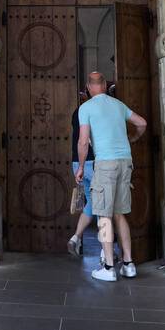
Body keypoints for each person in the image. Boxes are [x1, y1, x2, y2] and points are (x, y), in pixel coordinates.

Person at [75, 73, 147, 281]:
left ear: (89, 87)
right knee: (119, 214)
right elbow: (142, 123)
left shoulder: (86, 108)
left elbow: (83, 141)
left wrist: (81, 166)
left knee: (104, 216)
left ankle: (108, 267)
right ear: (105, 86)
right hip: (125, 161)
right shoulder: (118, 105)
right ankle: (128, 264)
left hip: (105, 164)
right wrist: (132, 137)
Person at [67, 85, 94, 257]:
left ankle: (76, 238)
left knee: (92, 201)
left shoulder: (76, 112)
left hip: (76, 163)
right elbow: (86, 140)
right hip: (91, 162)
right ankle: (105, 253)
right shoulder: (93, 111)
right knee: (103, 207)